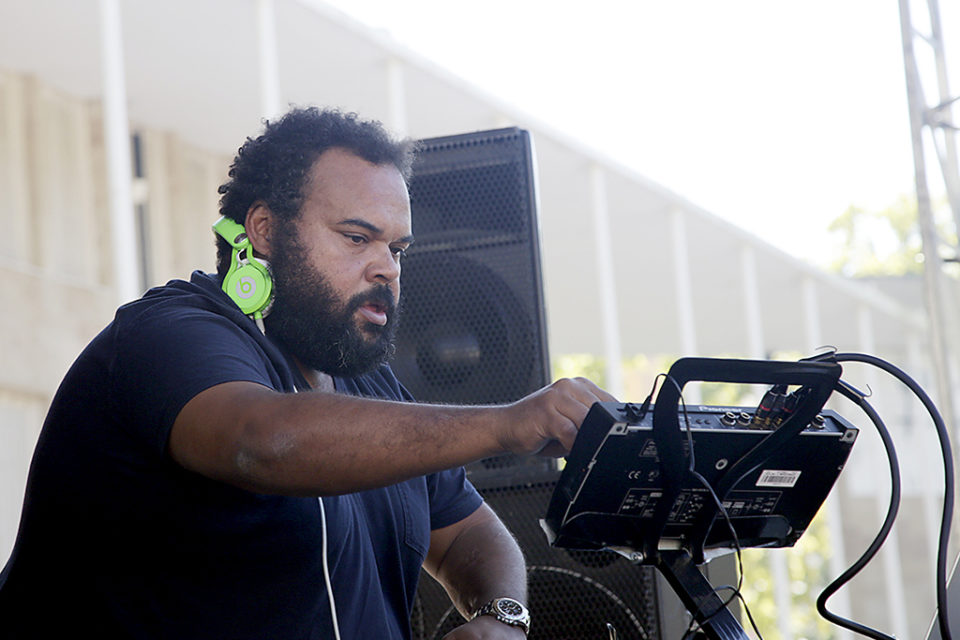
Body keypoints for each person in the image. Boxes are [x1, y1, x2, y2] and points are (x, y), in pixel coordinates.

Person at [0, 107, 614, 639]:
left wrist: (500, 615)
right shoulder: (169, 336)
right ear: (265, 231)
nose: (387, 269)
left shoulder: (368, 385)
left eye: (396, 249)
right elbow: (263, 442)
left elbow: (465, 534)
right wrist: (509, 423)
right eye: (357, 238)